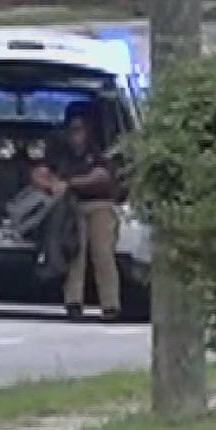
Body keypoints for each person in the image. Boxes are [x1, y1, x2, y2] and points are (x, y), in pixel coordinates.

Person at [45, 105, 122, 320]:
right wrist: (50, 184)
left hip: (100, 205)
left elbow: (102, 176)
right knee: (74, 253)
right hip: (72, 206)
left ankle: (110, 305)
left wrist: (69, 183)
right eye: (72, 129)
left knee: (103, 254)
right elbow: (44, 171)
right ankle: (73, 302)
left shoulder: (101, 148)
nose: (75, 135)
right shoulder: (62, 150)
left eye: (79, 129)